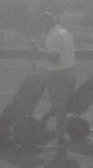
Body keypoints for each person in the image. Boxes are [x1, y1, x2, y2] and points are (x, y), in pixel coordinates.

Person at [31, 12, 76, 144]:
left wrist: (38, 52)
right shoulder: (65, 32)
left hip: (58, 76)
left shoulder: (52, 36)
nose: (40, 27)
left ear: (47, 22)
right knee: (61, 106)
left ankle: (61, 138)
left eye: (41, 24)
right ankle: (59, 132)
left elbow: (55, 58)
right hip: (70, 72)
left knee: (59, 106)